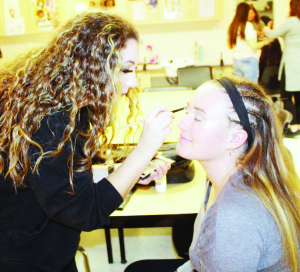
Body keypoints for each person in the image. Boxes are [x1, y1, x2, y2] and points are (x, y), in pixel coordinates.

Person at [0, 11, 174, 272]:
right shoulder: (52, 121)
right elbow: (85, 211)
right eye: (125, 69)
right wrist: (144, 151)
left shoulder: (61, 104)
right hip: (27, 258)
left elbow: (67, 176)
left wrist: (130, 173)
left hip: (45, 247)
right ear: (91, 64)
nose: (132, 82)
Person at [124, 76, 300, 272]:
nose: (182, 124)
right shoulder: (226, 173)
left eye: (198, 118)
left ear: (235, 138)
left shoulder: (233, 219)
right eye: (186, 111)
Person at [263, 0, 300, 136]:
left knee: (286, 95)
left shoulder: (292, 21)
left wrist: (266, 27)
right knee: (298, 95)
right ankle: (298, 125)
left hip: (291, 62)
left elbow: (272, 34)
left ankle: (293, 125)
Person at [228, 2, 273, 83]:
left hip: (236, 61)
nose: (251, 14)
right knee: (251, 90)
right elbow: (253, 46)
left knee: (240, 89)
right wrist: (266, 41)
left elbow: (230, 45)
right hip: (249, 61)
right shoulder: (247, 25)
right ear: (245, 13)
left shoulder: (233, 26)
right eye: (250, 12)